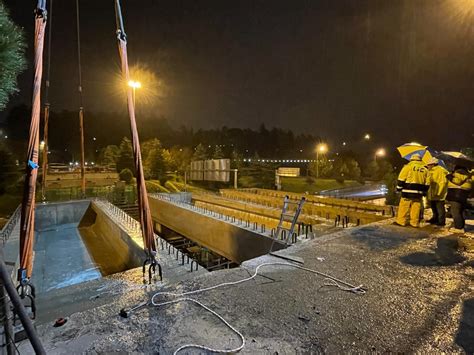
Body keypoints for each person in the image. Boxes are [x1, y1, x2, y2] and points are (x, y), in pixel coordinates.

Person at [395, 154, 430, 227]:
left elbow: (401, 179)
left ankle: (401, 221)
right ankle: (414, 223)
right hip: (418, 192)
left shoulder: (408, 167)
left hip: (407, 191)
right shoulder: (425, 169)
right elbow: (427, 183)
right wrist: (424, 192)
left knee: (404, 206)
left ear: (411, 159)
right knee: (416, 207)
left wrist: (399, 188)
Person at [446, 165, 472, 233]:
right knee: (461, 211)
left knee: (455, 212)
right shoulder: (469, 176)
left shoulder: (457, 174)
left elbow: (457, 182)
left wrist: (450, 177)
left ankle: (458, 228)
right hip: (464, 195)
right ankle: (461, 225)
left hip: (455, 194)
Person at [426, 158, 448, 226]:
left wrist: (439, 192)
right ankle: (435, 218)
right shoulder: (432, 171)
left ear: (433, 164)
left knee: (440, 208)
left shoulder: (441, 170)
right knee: (434, 206)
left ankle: (441, 221)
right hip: (432, 192)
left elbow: (443, 182)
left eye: (429, 165)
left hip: (439, 193)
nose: (428, 166)